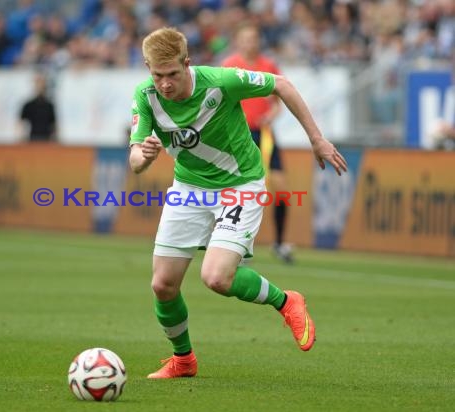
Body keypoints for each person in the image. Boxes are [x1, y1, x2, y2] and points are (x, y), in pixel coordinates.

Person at [128, 27, 347, 379]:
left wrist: (316, 139)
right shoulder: (145, 95)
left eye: (172, 74)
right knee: (162, 285)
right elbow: (136, 160)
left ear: (187, 63)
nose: (165, 83)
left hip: (240, 184)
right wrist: (146, 154)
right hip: (188, 187)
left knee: (216, 277)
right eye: (157, 75)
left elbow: (282, 84)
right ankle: (183, 360)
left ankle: (286, 301)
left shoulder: (221, 81)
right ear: (148, 68)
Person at [222, 23, 294, 263]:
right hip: (239, 136)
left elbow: (278, 100)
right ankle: (235, 243)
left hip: (264, 135)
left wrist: (271, 116)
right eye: (245, 38)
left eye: (253, 38)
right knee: (239, 190)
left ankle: (280, 243)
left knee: (281, 189)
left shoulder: (268, 66)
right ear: (238, 41)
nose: (250, 43)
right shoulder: (230, 65)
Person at [19, 73, 57, 142]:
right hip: (32, 138)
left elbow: (53, 124)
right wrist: (22, 138)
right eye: (38, 83)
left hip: (47, 139)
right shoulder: (29, 105)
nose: (40, 86)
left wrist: (54, 138)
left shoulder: (49, 105)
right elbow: (21, 123)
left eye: (42, 83)